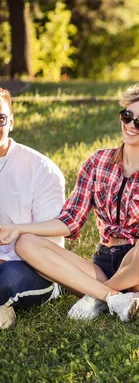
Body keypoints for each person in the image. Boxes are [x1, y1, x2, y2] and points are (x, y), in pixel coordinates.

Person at [0, 79, 139, 322]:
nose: (130, 125)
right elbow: (70, 221)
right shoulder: (97, 162)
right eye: (127, 116)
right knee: (25, 243)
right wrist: (19, 228)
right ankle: (114, 297)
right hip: (103, 262)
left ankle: (97, 297)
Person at [0, 88, 65, 329]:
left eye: (0, 118)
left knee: (9, 279)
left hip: (30, 265)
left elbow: (50, 242)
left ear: (11, 122)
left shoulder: (41, 169)